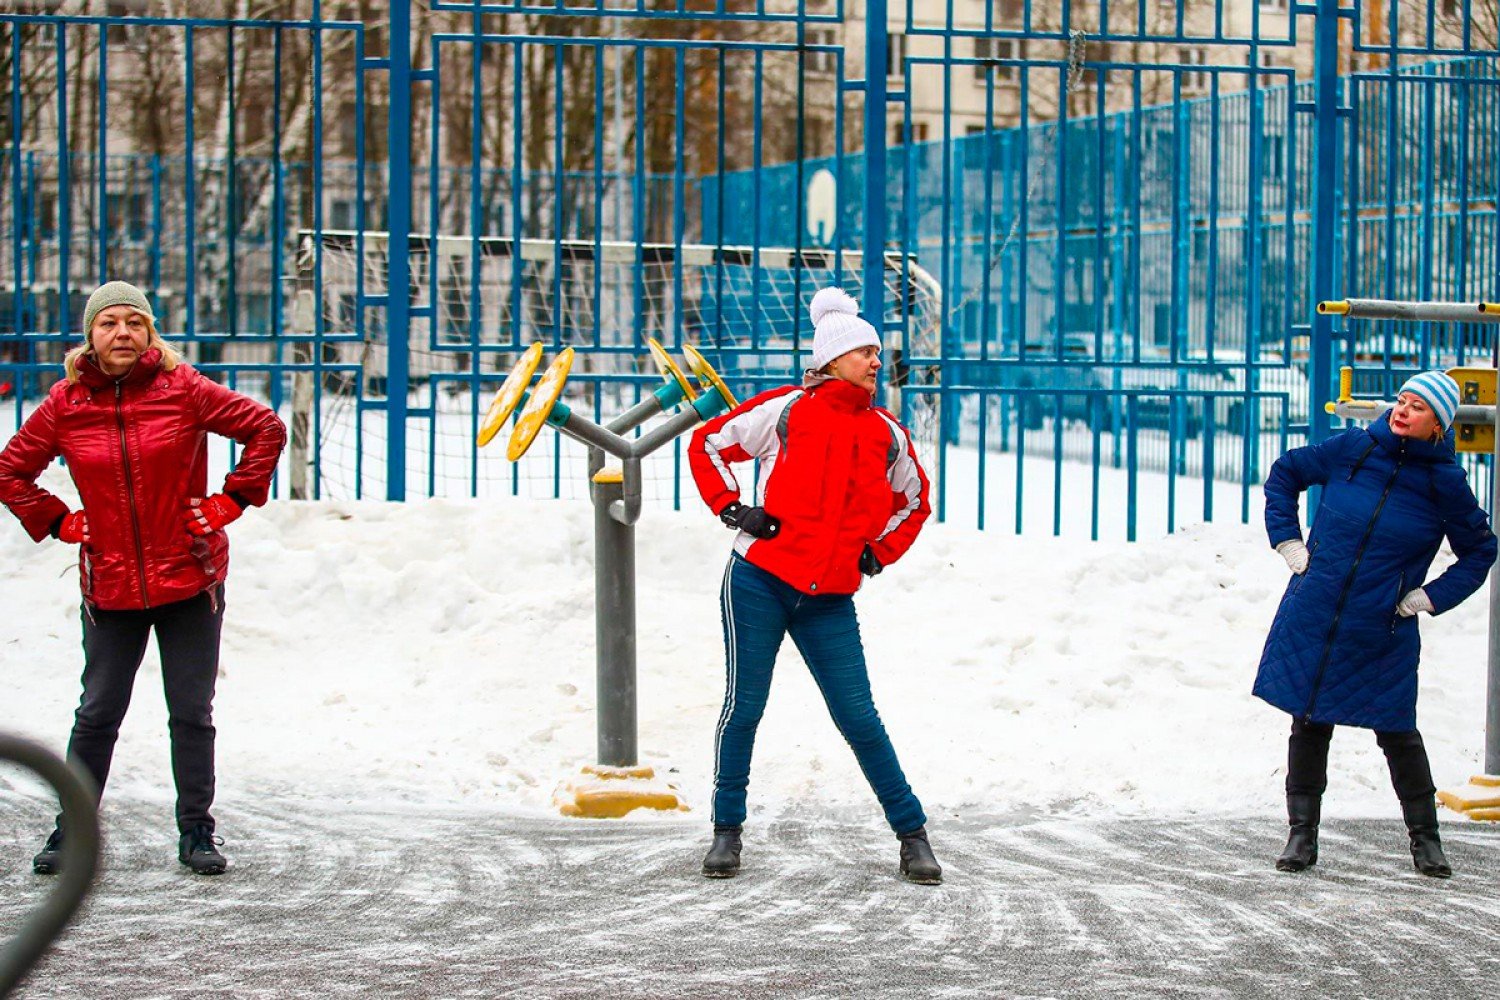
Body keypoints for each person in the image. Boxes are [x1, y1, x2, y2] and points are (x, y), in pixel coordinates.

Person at [0, 281, 287, 876]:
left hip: (189, 576)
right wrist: (59, 520)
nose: (122, 332)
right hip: (110, 585)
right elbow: (10, 471)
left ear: (150, 332)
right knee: (98, 712)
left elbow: (265, 428)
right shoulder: (66, 404)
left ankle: (197, 831)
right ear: (90, 336)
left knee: (191, 711)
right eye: (109, 323)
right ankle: (72, 830)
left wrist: (229, 502)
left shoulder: (184, 389)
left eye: (135, 322)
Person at [686, 286, 940, 884]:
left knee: (859, 716)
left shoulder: (887, 433)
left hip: (830, 598)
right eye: (864, 352)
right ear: (831, 359)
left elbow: (915, 500)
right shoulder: (786, 410)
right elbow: (709, 443)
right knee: (744, 706)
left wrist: (878, 552)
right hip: (759, 581)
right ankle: (726, 832)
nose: (875, 361)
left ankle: (913, 836)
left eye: (876, 352)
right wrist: (733, 509)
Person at [1254, 371, 1495, 878]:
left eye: (1418, 407)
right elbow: (1285, 473)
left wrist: (1428, 598)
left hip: (1381, 625)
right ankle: (1301, 835)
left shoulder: (1445, 483)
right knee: (1309, 720)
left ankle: (1426, 840)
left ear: (1438, 424)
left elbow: (1480, 551)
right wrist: (1288, 540)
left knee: (1398, 732)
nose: (1402, 411)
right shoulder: (1353, 449)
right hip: (1317, 611)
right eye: (1402, 400)